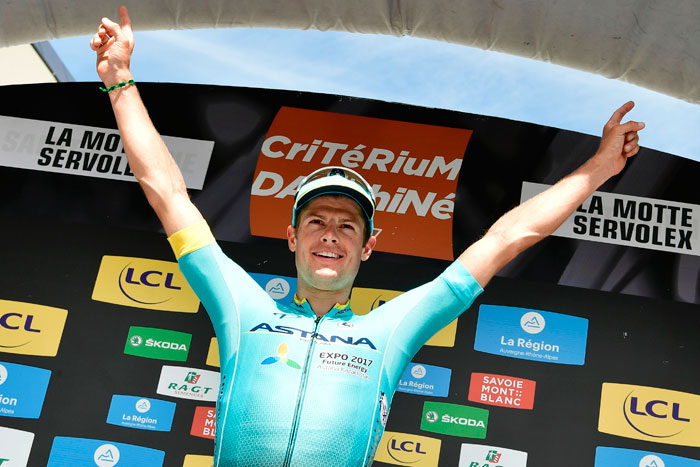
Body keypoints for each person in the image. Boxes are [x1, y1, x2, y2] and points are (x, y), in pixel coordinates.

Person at [91, 7, 644, 467]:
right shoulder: (241, 306)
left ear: (367, 247)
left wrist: (597, 168)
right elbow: (167, 192)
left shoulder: (390, 328)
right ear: (291, 237)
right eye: (316, 221)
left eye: (347, 225)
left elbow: (508, 236)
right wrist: (118, 81)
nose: (330, 234)